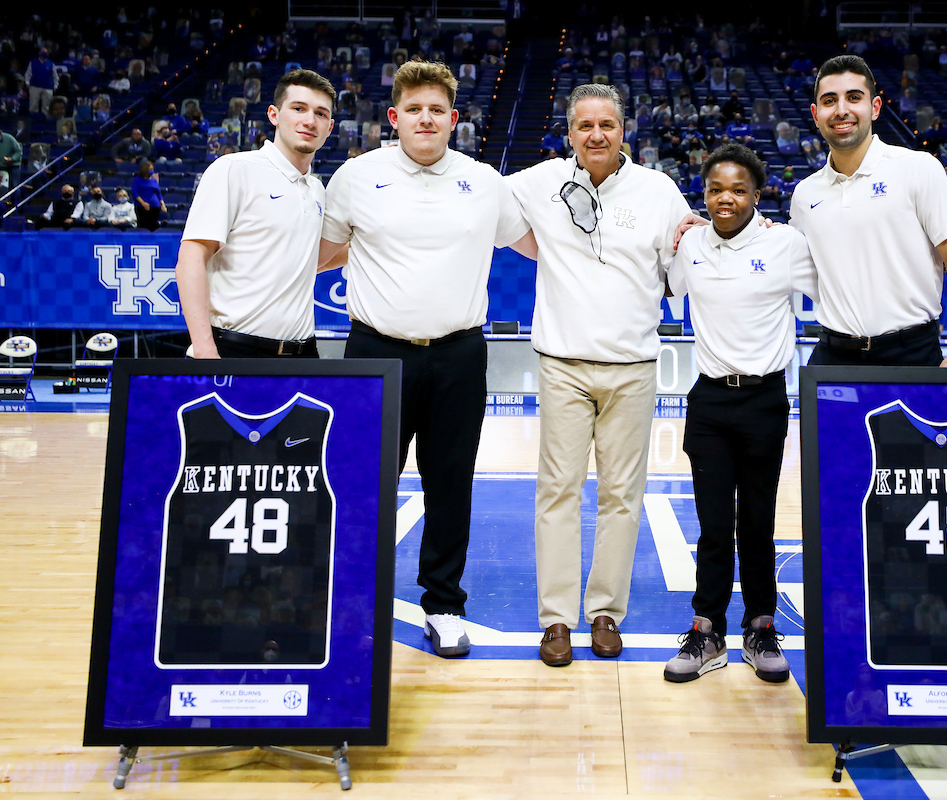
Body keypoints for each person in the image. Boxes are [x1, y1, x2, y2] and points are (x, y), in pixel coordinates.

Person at [318, 61, 531, 658]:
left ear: (454, 120)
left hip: (459, 354)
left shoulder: (485, 181)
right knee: (362, 483)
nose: (426, 118)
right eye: (414, 109)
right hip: (374, 352)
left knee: (450, 483)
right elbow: (324, 254)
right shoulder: (357, 177)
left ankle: (443, 604)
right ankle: (351, 598)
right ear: (394, 118)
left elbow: (540, 246)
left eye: (437, 109)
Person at [505, 84, 693, 667]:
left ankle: (605, 611)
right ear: (569, 133)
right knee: (557, 493)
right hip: (562, 365)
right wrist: (549, 254)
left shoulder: (659, 190)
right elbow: (486, 213)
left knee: (621, 497)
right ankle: (556, 621)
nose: (596, 135)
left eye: (606, 124)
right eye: (584, 125)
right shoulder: (537, 182)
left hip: (634, 366)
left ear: (623, 130)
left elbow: (678, 269)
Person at [663, 144, 816, 685]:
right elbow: (664, 286)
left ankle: (761, 625)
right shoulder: (690, 247)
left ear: (757, 195)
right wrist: (675, 231)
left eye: (738, 190)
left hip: (764, 399)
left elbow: (829, 291)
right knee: (710, 523)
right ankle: (707, 630)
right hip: (708, 400)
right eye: (715, 189)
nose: (725, 198)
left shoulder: (786, 244)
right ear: (704, 194)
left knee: (757, 519)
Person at [790, 55, 947, 367]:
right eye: (829, 101)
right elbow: (786, 259)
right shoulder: (804, 194)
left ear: (875, 107)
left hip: (911, 354)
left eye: (854, 97)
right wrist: (721, 230)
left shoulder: (918, 168)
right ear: (815, 114)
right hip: (833, 357)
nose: (841, 110)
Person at [175, 69, 337, 359]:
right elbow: (191, 259)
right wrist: (205, 350)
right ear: (274, 114)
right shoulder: (234, 169)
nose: (310, 121)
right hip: (233, 349)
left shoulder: (317, 190)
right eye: (299, 108)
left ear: (330, 126)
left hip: (302, 355)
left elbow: (312, 261)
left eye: (321, 114)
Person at [130, 160, 167, 230]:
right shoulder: (137, 180)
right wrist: (143, 203)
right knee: (143, 226)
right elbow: (135, 193)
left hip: (155, 207)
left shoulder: (154, 180)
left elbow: (158, 193)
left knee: (153, 226)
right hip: (141, 207)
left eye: (152, 169)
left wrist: (162, 204)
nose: (152, 171)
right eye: (150, 169)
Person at [24, 49, 56, 116]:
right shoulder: (33, 62)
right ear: (39, 53)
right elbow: (28, 73)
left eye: (46, 52)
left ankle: (46, 121)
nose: (44, 53)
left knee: (46, 107)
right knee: (33, 105)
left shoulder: (51, 64)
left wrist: (55, 85)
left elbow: (55, 76)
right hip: (35, 86)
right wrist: (27, 82)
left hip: (47, 87)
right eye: (43, 52)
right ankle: (32, 120)